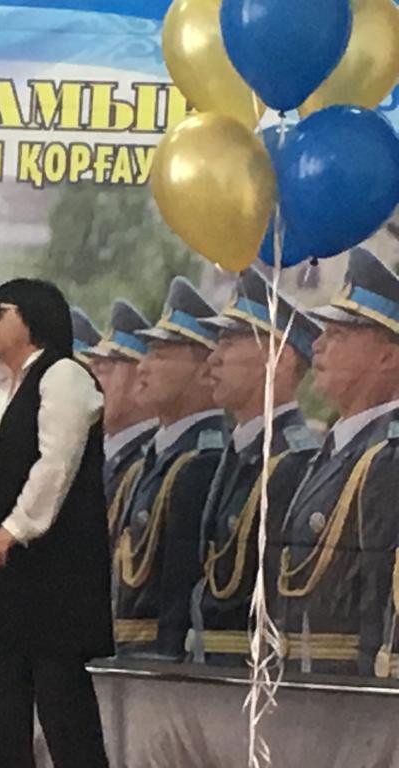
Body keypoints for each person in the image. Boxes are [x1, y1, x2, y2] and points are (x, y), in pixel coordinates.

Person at [0, 278, 112, 767]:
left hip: (46, 565)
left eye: (1, 312)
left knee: (59, 698)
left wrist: (15, 528)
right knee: (1, 701)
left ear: (36, 317)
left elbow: (56, 463)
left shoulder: (64, 376)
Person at [189, 268, 321, 666]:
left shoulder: (292, 461)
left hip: (253, 672)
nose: (213, 358)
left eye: (229, 343)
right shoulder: (239, 451)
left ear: (279, 358)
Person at [278, 248, 399, 677]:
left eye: (338, 335)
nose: (317, 345)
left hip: (346, 691)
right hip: (305, 680)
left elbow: (378, 601)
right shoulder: (338, 450)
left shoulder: (387, 459)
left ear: (388, 358)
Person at [112, 277, 226, 659]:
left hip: (155, 666)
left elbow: (178, 597)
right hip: (124, 657)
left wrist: (167, 669)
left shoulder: (200, 463)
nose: (143, 367)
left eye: (161, 355)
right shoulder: (158, 457)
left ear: (206, 370)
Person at [84, 300, 158, 540]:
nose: (92, 383)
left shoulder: (148, 460)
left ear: (140, 378)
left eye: (104, 369)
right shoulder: (104, 454)